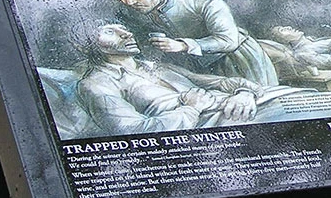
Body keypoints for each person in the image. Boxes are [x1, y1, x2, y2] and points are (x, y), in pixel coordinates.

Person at [75, 24, 301, 136]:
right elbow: (131, 131)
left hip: (245, 105)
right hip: (214, 123)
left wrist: (245, 93)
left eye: (123, 29)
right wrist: (191, 110)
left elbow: (218, 82)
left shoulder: (158, 67)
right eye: (110, 32)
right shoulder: (95, 84)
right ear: (89, 45)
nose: (126, 34)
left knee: (316, 102)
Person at [114, 0, 279, 86]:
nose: (130, 2)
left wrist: (182, 45)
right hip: (204, 70)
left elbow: (228, 41)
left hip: (238, 61)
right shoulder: (147, 10)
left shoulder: (207, 5)